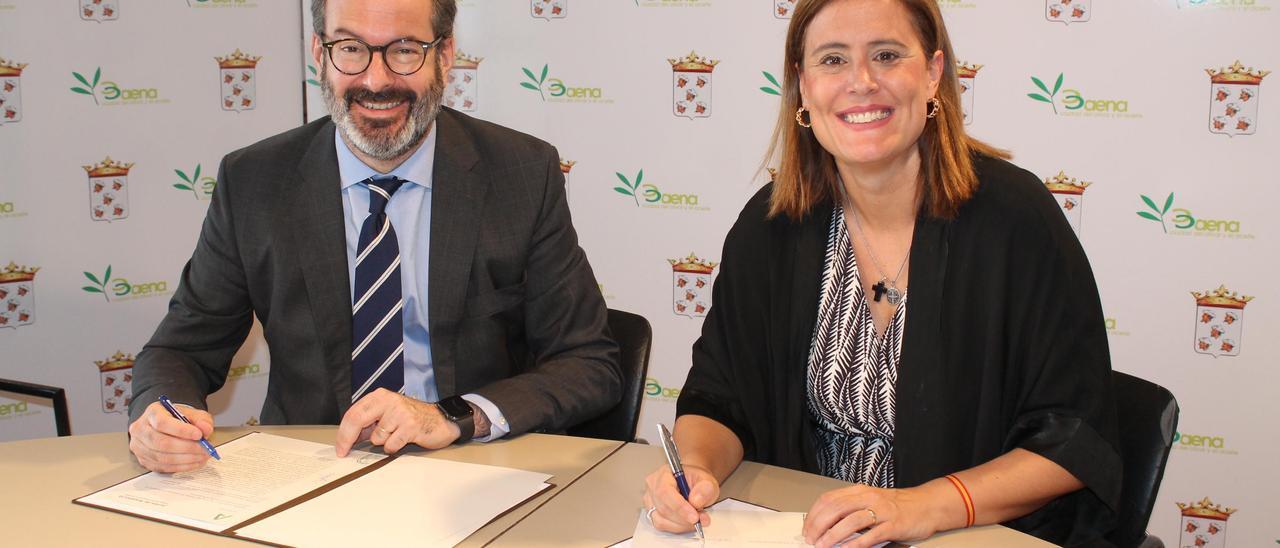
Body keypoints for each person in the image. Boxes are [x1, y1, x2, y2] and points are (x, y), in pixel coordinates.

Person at [642, 0, 1119, 546]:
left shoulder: (1015, 221)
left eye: (887, 55)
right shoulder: (772, 224)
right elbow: (719, 399)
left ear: (933, 73)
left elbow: (1073, 436)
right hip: (810, 533)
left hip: (974, 532)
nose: (861, 82)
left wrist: (925, 507)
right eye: (832, 60)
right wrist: (697, 471)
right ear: (802, 84)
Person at [128, 0, 621, 473]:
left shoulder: (520, 174)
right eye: (350, 47)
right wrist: (162, 415)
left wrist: (455, 416)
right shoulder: (253, 181)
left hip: (472, 473)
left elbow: (588, 362)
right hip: (307, 474)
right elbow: (179, 352)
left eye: (405, 49)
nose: (376, 79)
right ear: (319, 54)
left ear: (444, 56)